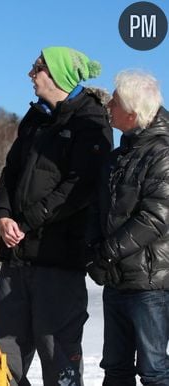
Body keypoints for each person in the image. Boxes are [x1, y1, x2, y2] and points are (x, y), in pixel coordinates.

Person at [0, 46, 113, 385]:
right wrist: (3, 215)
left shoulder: (91, 118)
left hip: (58, 260)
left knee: (58, 356)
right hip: (17, 258)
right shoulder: (35, 117)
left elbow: (80, 188)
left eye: (36, 69)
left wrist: (26, 222)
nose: (30, 75)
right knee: (2, 355)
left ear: (56, 74)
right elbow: (11, 172)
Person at [85, 70, 169, 386]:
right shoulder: (117, 157)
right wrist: (93, 252)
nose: (109, 107)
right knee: (116, 369)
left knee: (154, 371)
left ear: (132, 113)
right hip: (117, 281)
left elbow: (155, 218)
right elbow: (99, 208)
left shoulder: (163, 154)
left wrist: (107, 252)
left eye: (115, 103)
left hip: (151, 285)